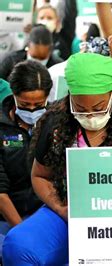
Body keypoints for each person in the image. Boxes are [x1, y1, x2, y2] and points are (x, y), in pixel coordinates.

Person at [1, 53, 112, 265]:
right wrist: (60, 208)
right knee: (18, 246)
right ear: (69, 97)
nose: (91, 116)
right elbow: (40, 176)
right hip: (68, 213)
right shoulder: (55, 124)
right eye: (81, 109)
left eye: (98, 108)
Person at [0, 61, 50, 257]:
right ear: (13, 96)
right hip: (7, 216)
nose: (31, 111)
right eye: (24, 105)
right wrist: (23, 232)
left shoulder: (56, 123)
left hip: (48, 213)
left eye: (38, 105)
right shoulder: (2, 128)